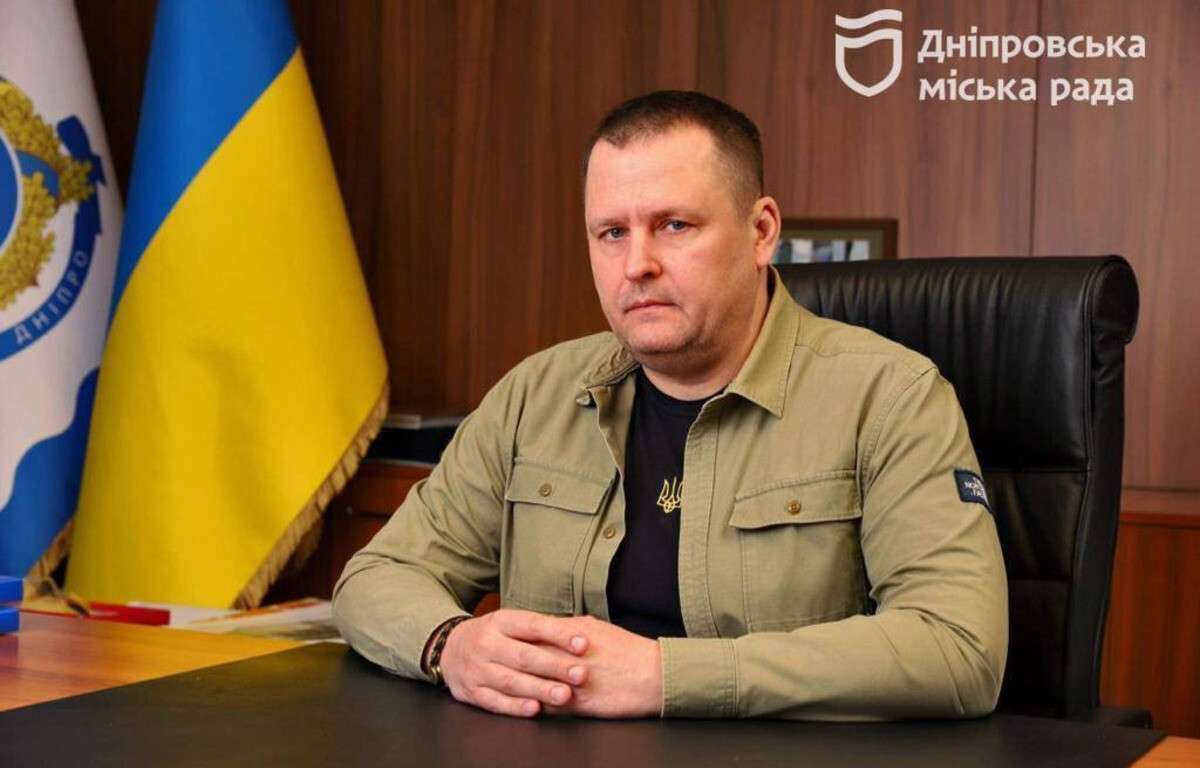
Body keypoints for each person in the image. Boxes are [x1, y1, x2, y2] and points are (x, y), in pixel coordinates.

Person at [332, 90, 1008, 721]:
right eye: (611, 233)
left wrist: (665, 676)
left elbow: (958, 648)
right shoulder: (534, 396)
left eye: (674, 225)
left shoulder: (891, 398)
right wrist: (449, 644)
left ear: (761, 231)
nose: (637, 265)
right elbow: (378, 575)